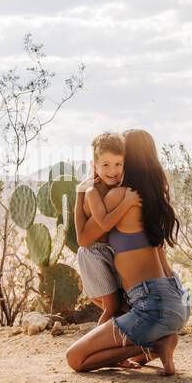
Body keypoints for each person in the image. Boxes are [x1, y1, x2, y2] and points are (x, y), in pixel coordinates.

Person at [65, 129, 189, 376]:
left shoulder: (120, 196)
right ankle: (160, 342)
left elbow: (83, 239)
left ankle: (157, 344)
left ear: (127, 160)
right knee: (113, 311)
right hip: (179, 300)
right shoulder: (154, 201)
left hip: (151, 304)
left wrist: (81, 193)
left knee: (76, 359)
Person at [74, 132, 140, 324]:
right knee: (111, 306)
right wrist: (126, 203)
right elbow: (103, 223)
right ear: (94, 167)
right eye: (106, 165)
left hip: (110, 252)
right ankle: (94, 344)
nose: (113, 170)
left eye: (118, 164)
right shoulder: (92, 191)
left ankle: (124, 345)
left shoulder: (115, 187)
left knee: (122, 305)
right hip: (94, 253)